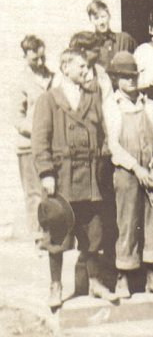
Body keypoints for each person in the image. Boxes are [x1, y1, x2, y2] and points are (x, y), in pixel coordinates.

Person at [32, 49, 117, 309]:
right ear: (65, 66)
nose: (85, 70)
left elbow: (102, 132)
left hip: (90, 177)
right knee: (57, 233)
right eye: (80, 66)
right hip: (62, 177)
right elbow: (39, 140)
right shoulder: (49, 99)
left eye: (87, 66)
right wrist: (46, 173)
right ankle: (55, 285)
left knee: (94, 232)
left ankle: (95, 282)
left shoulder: (94, 95)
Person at [103, 52, 153, 299]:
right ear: (116, 78)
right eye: (125, 77)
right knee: (128, 222)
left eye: (134, 76)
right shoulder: (112, 105)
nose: (131, 81)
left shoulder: (148, 104)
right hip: (127, 172)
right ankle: (124, 277)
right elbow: (114, 145)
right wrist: (135, 167)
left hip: (150, 172)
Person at [14, 35, 53, 249]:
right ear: (25, 57)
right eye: (34, 59)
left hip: (48, 145)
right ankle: (38, 236)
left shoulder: (52, 77)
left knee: (49, 189)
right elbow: (17, 119)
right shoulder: (21, 81)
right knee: (34, 192)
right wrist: (37, 132)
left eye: (42, 57)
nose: (40, 63)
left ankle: (51, 232)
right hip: (28, 146)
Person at [86, 0, 136, 70]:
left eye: (103, 16)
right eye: (96, 18)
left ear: (109, 16)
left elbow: (138, 61)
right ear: (91, 21)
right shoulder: (89, 43)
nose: (101, 22)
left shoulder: (125, 39)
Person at [68, 31, 113, 101]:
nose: (99, 55)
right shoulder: (65, 74)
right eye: (96, 51)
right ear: (82, 51)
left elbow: (109, 102)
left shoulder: (100, 72)